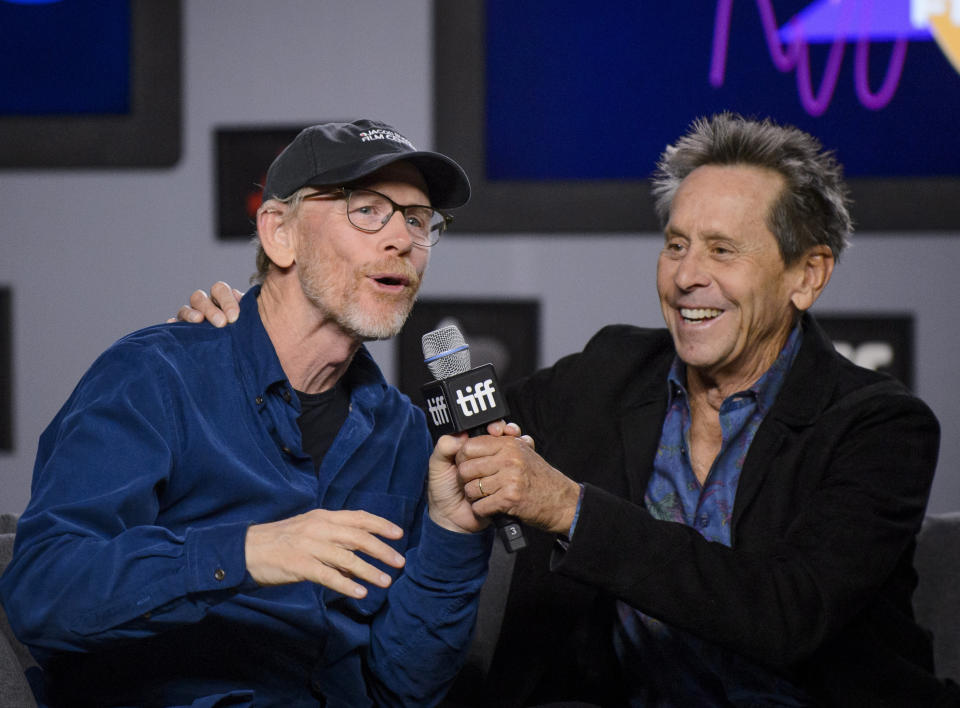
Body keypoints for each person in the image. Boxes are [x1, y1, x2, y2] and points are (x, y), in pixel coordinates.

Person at [184, 114, 958, 707]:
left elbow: (785, 613)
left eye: (723, 251)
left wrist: (569, 509)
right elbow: (419, 441)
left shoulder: (878, 427)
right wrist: (262, 352)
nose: (687, 276)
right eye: (676, 244)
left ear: (806, 275)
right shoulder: (614, 371)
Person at [0, 119, 501, 708]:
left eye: (418, 220)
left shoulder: (401, 434)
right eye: (368, 209)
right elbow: (43, 590)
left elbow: (405, 689)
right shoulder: (157, 378)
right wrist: (246, 552)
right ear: (279, 234)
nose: (402, 240)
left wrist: (452, 533)